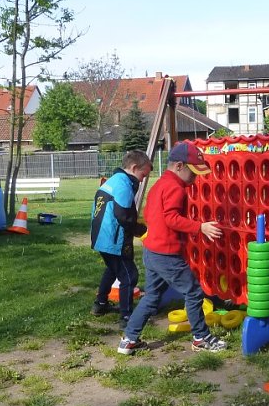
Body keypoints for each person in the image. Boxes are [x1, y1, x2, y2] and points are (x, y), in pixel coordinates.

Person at [118, 141, 225, 355]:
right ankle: (201, 338)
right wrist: (199, 227)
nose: (195, 178)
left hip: (152, 251)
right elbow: (171, 218)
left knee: (151, 297)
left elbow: (150, 214)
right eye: (193, 173)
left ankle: (129, 339)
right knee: (194, 292)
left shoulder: (159, 184)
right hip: (167, 254)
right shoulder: (176, 188)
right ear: (179, 166)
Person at [89, 150, 152, 327]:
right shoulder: (124, 185)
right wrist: (143, 229)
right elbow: (124, 217)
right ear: (133, 168)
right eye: (142, 175)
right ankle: (127, 317)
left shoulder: (113, 181)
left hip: (100, 236)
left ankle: (100, 304)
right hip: (114, 239)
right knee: (129, 276)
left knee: (112, 269)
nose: (141, 180)